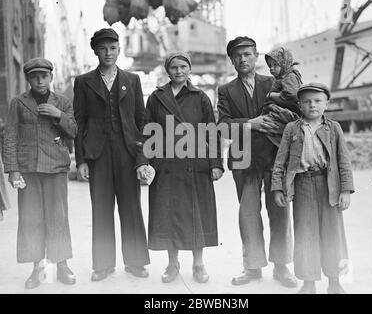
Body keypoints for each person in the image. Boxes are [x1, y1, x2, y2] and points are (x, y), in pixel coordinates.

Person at [217, 36, 297, 287]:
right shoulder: (226, 90)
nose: (243, 59)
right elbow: (222, 127)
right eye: (238, 55)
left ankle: (282, 267)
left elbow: (295, 113)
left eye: (248, 54)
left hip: (275, 158)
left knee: (280, 212)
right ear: (232, 60)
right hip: (244, 160)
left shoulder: (275, 82)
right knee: (249, 215)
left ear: (256, 56)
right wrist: (251, 123)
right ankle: (252, 267)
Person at [138, 52, 223, 284]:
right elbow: (147, 131)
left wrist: (216, 164)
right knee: (168, 214)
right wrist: (143, 161)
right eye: (174, 67)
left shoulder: (201, 97)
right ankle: (172, 264)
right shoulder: (156, 98)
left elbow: (212, 133)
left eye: (183, 66)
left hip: (195, 164)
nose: (178, 71)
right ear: (168, 70)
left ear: (189, 69)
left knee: (196, 214)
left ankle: (198, 264)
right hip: (165, 165)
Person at [73, 28, 150, 282]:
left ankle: (136, 262)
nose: (109, 53)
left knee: (131, 207)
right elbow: (79, 123)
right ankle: (103, 265)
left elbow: (141, 122)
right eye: (104, 48)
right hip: (98, 154)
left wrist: (141, 159)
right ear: (96, 51)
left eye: (113, 48)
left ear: (119, 50)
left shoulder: (133, 79)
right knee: (102, 209)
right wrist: (82, 159)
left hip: (127, 152)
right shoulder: (84, 82)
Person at [271, 83, 354, 294]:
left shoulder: (334, 128)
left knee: (332, 234)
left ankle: (334, 281)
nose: (312, 105)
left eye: (318, 101)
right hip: (302, 185)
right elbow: (281, 161)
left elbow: (343, 161)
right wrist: (278, 188)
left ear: (327, 104)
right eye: (307, 101)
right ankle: (308, 282)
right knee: (305, 234)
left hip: (329, 185)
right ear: (299, 105)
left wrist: (345, 190)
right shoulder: (292, 129)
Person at [2, 58, 77, 289]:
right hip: (29, 169)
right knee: (31, 219)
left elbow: (73, 131)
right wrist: (13, 170)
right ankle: (37, 267)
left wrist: (58, 115)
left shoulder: (62, 102)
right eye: (34, 77)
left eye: (44, 76)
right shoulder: (18, 103)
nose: (40, 80)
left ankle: (62, 265)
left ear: (51, 78)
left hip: (55, 167)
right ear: (28, 79)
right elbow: (10, 136)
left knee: (58, 217)